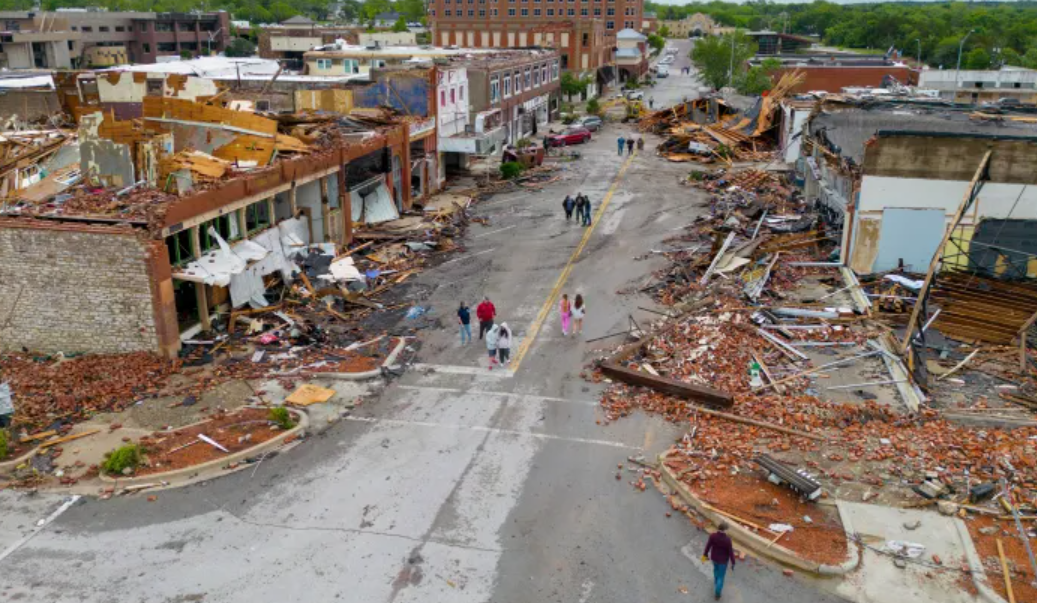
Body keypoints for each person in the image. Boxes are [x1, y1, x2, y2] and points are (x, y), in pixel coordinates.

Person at [703, 522, 736, 599]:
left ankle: (716, 581)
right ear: (725, 530)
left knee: (715, 570)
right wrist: (733, 562)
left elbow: (708, 546)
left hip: (714, 558)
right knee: (721, 577)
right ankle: (717, 593)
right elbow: (730, 552)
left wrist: (705, 555)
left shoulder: (713, 536)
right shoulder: (728, 540)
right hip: (723, 561)